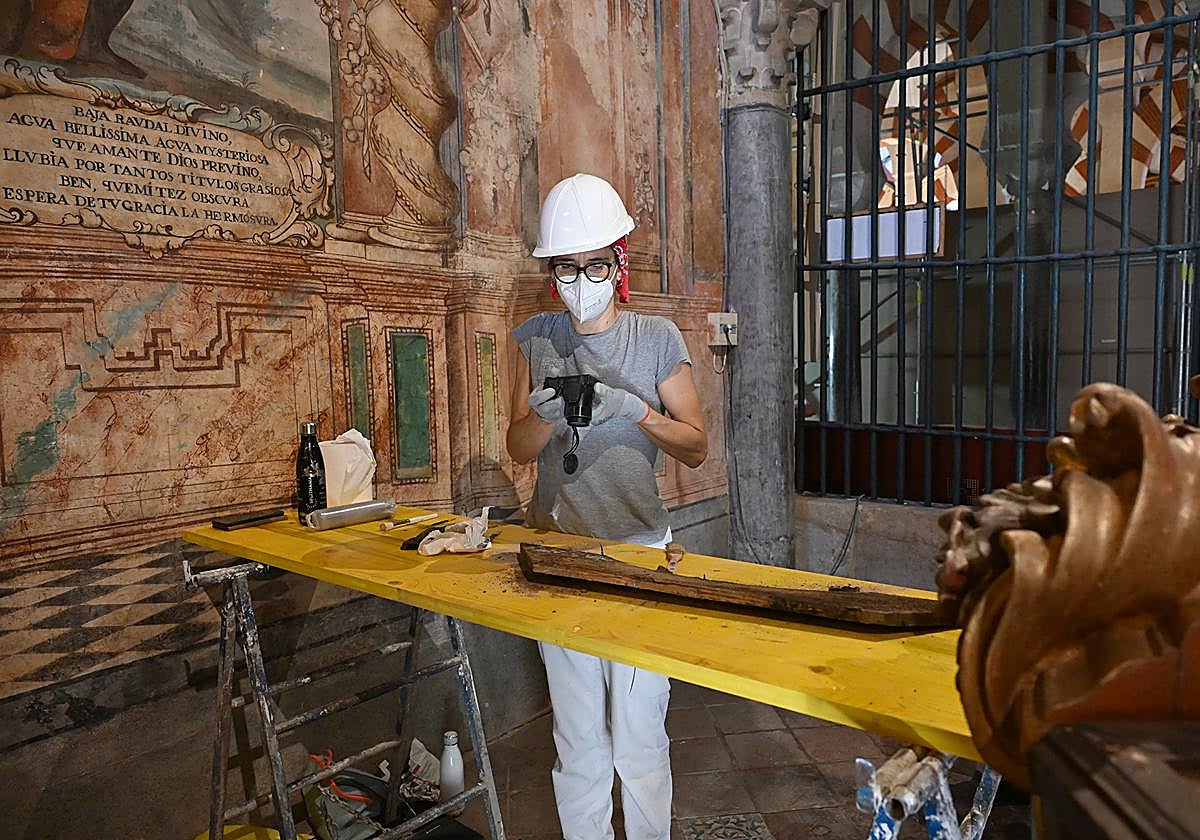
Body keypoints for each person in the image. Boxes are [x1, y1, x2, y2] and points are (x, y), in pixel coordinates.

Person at [506, 173, 708, 840]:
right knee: (578, 740)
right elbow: (518, 443)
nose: (579, 279)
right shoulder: (536, 338)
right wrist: (544, 417)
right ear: (552, 271)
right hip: (561, 558)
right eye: (567, 267)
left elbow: (697, 446)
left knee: (640, 739)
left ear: (617, 264)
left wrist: (636, 408)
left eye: (594, 265)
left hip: (640, 554)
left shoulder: (656, 339)